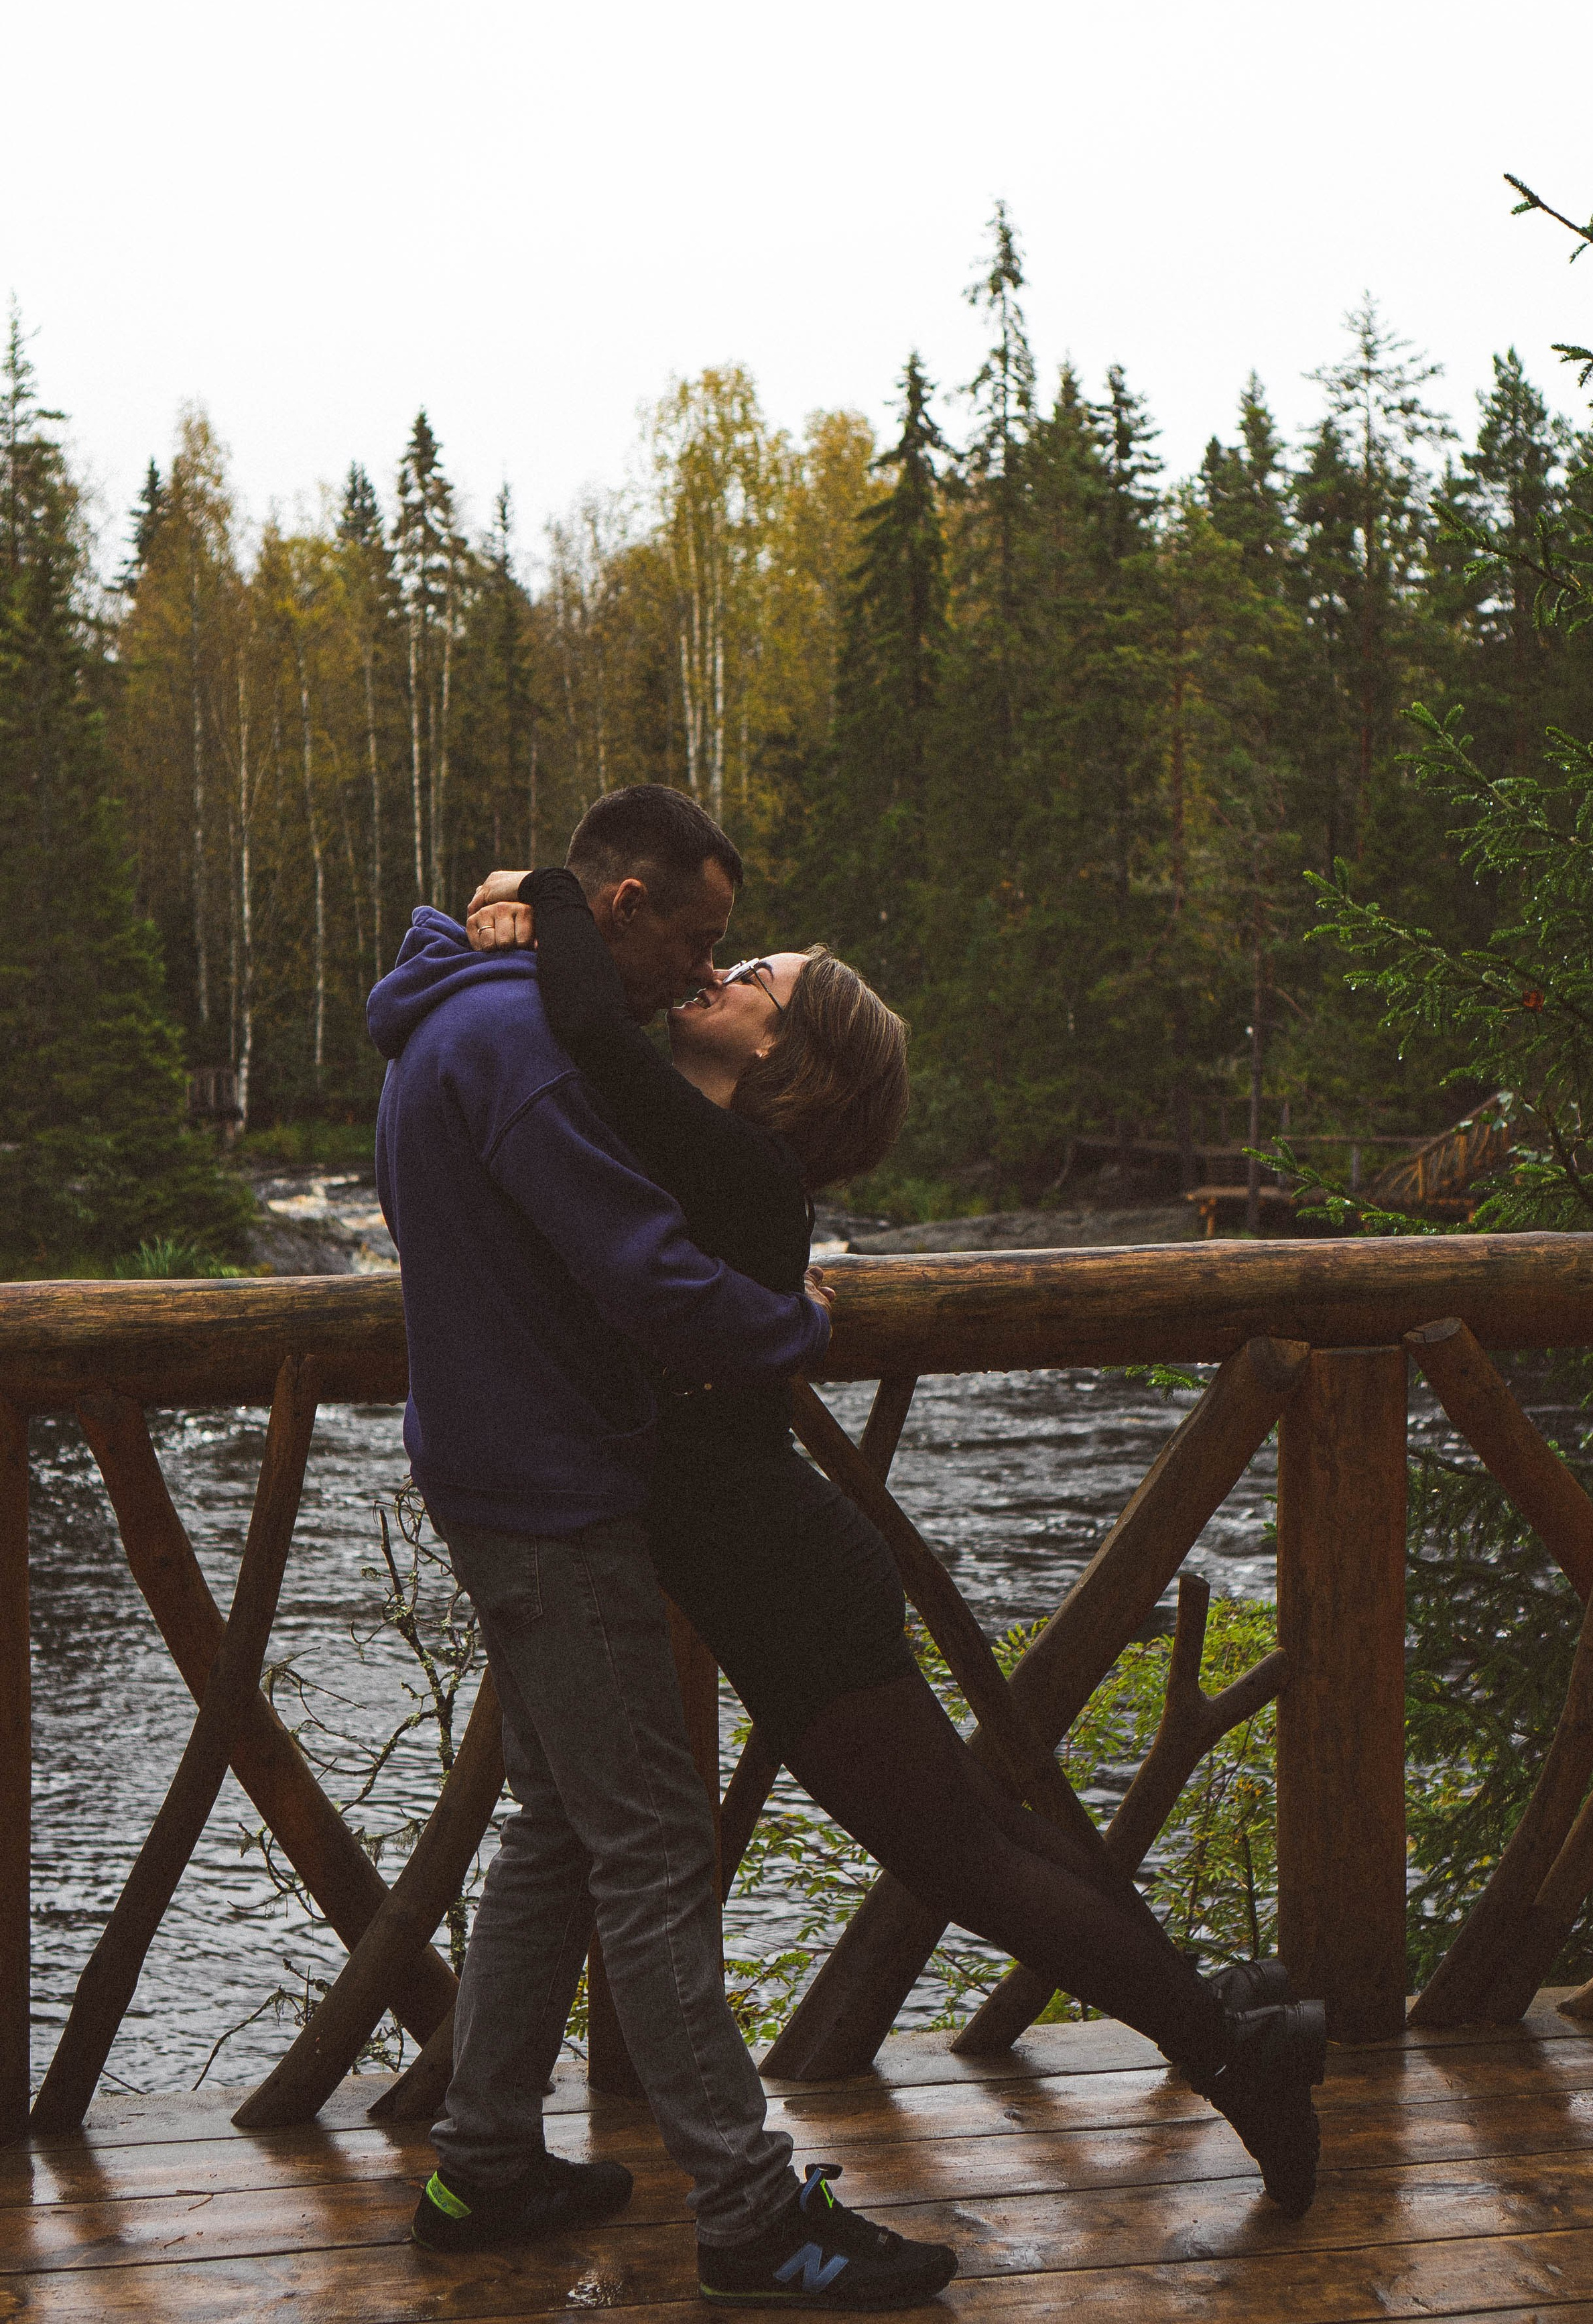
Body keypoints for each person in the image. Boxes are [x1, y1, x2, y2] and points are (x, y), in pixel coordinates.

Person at [464, 839, 1328, 2222]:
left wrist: (548, 885)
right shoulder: (707, 1160)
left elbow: (579, 1018)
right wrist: (509, 908)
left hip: (781, 1576)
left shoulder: (732, 1163)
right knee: (978, 1835)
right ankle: (1230, 2018)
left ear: (785, 1054)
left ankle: (1232, 2054)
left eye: (752, 976)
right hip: (775, 1561)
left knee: (964, 1857)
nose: (713, 971)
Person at [370, 782, 958, 2311]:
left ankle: (483, 2160)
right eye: (697, 937)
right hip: (555, 1495)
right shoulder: (522, 1054)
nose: (706, 969)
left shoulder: (465, 1008)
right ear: (621, 907)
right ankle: (751, 2213)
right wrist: (793, 1321)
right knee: (650, 1850)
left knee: (561, 1828)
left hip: (493, 1470)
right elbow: (645, 1274)